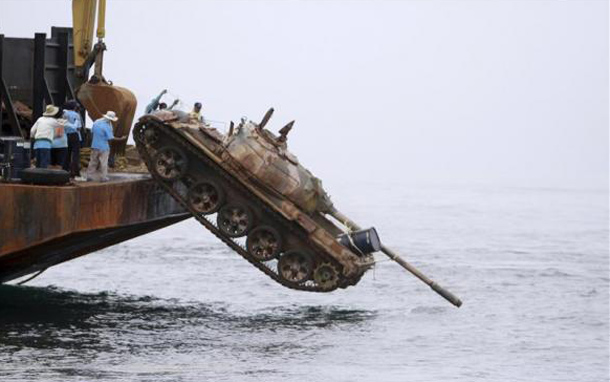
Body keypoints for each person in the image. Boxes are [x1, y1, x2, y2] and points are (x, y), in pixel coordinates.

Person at [86, 111, 126, 182]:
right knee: (103, 163)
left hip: (95, 145)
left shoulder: (96, 122)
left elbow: (92, 132)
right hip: (104, 147)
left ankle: (89, 176)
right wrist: (121, 139)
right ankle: (103, 177)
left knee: (93, 161)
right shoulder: (107, 126)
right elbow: (111, 138)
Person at [63, 100, 84, 178]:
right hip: (75, 135)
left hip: (66, 135)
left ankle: (65, 170)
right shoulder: (76, 115)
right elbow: (78, 127)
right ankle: (75, 171)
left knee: (67, 153)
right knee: (75, 154)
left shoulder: (64, 114)